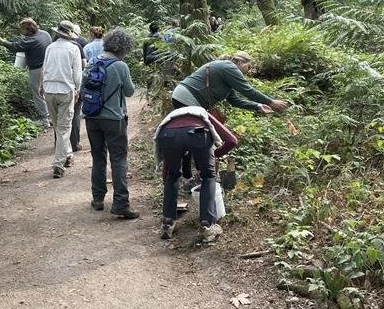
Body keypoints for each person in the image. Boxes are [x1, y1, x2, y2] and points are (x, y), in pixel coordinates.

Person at [171, 52, 289, 190]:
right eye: (248, 67)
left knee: (195, 138)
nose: (248, 71)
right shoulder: (229, 67)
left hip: (184, 98)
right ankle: (191, 176)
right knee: (210, 139)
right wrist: (271, 102)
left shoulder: (226, 74)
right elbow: (247, 90)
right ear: (240, 62)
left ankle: (192, 175)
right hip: (187, 99)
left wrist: (257, 106)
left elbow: (235, 100)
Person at [154, 106, 237, 242]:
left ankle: (167, 224)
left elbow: (167, 170)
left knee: (172, 176)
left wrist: (168, 178)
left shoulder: (171, 117)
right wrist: (214, 154)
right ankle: (207, 225)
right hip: (199, 133)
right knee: (208, 176)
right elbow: (232, 140)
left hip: (167, 135)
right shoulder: (202, 113)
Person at [82, 29, 139, 219]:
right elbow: (130, 92)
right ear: (123, 47)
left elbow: (83, 87)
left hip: (92, 117)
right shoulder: (120, 66)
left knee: (98, 157)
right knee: (119, 159)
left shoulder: (92, 62)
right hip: (114, 119)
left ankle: (98, 199)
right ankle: (121, 203)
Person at [42, 22, 83, 178]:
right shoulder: (74, 49)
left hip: (49, 90)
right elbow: (77, 74)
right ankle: (58, 164)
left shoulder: (50, 48)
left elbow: (45, 68)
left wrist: (42, 86)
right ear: (70, 34)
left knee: (58, 127)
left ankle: (68, 155)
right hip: (65, 91)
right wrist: (78, 89)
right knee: (64, 128)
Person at [0, 18, 52, 127]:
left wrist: (1, 41)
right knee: (47, 92)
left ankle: (44, 119)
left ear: (28, 29)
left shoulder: (31, 40)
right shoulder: (45, 34)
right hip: (49, 67)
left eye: (22, 29)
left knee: (37, 93)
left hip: (37, 69)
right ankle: (52, 116)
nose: (21, 32)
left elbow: (15, 47)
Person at [70, 24, 87, 153]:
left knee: (60, 116)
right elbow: (83, 65)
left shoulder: (51, 46)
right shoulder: (79, 44)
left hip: (54, 86)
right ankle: (74, 143)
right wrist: (78, 87)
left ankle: (59, 143)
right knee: (75, 113)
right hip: (73, 85)